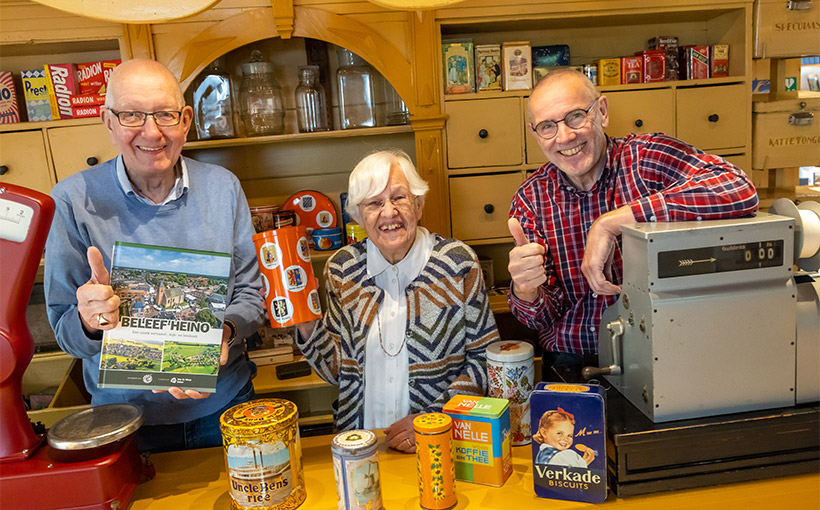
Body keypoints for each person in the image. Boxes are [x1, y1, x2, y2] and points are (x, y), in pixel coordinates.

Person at [44, 59, 264, 452]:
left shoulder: (223, 188)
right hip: (124, 421)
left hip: (226, 406)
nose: (152, 132)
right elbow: (65, 331)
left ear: (185, 120)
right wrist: (91, 322)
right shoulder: (72, 200)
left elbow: (251, 294)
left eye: (164, 114)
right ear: (108, 121)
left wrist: (225, 331)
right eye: (131, 114)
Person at [507, 68, 758, 381]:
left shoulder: (646, 159)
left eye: (575, 116)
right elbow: (540, 318)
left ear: (602, 111)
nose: (565, 136)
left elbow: (737, 188)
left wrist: (614, 222)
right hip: (570, 367)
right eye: (548, 126)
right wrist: (526, 289)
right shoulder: (531, 199)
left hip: (668, 356)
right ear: (535, 134)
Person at [295, 149, 499, 453]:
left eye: (399, 198)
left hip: (437, 444)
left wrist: (435, 420)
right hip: (359, 445)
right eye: (374, 203)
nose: (388, 212)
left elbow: (485, 361)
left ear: (418, 205)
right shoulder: (342, 269)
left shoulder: (458, 264)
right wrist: (306, 321)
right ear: (359, 215)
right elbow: (337, 372)